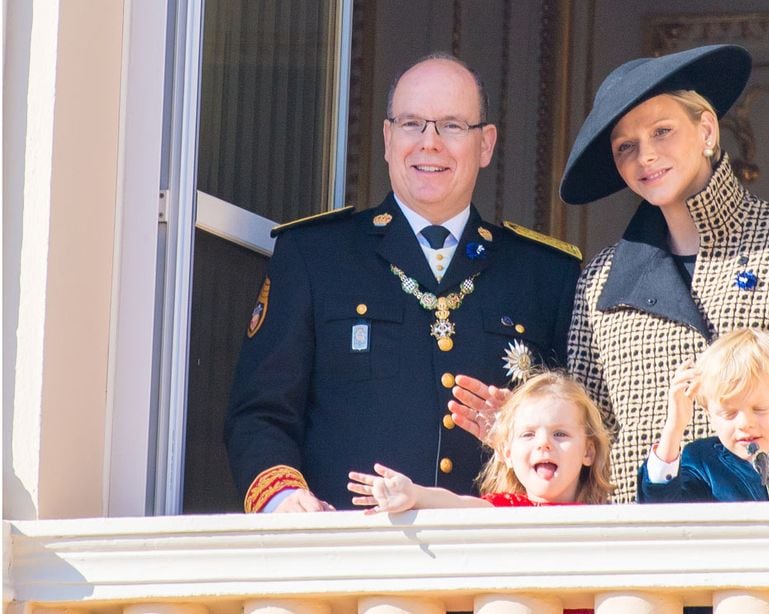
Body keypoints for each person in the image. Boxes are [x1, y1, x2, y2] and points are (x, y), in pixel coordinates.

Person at [451, 44, 769, 503]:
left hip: (763, 547)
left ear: (706, 129)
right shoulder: (600, 279)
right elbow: (589, 433)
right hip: (633, 549)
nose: (646, 156)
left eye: (662, 131)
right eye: (626, 146)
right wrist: (534, 425)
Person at [224, 53, 582, 513]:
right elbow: (260, 414)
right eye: (412, 124)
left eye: (452, 126)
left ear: (486, 144)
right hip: (350, 554)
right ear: (388, 138)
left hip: (496, 559)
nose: (429, 143)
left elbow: (589, 431)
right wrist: (285, 500)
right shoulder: (316, 256)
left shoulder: (544, 274)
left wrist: (529, 426)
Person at [347, 371, 614, 511]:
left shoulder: (604, 516)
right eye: (528, 434)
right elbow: (457, 504)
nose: (543, 444)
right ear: (506, 452)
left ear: (588, 452)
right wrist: (414, 494)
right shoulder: (504, 509)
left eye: (560, 434)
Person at [637, 328, 769, 503]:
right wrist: (673, 429)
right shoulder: (701, 462)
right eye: (728, 413)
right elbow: (661, 511)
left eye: (760, 409)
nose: (745, 423)